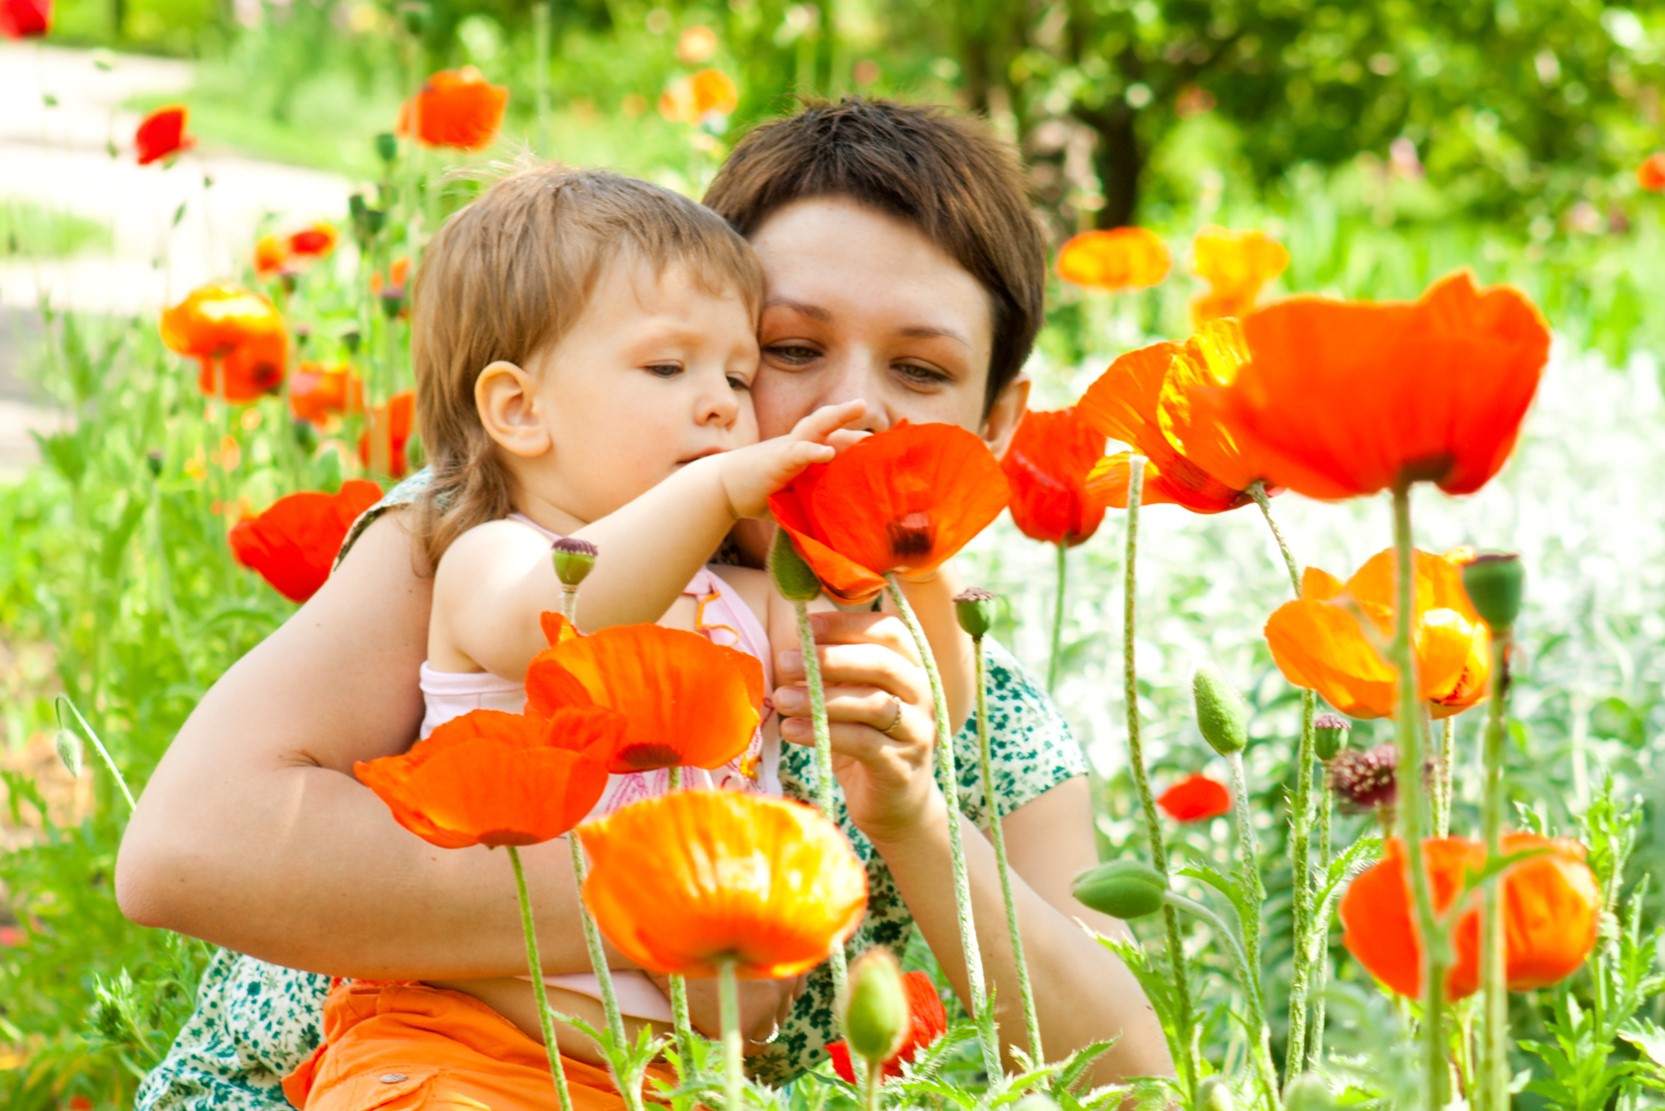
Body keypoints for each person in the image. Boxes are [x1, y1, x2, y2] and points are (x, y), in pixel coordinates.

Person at [118, 99, 1173, 1110]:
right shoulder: (502, 537)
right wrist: (687, 904)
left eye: (921, 368)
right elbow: (184, 850)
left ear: (995, 425)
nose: (853, 412)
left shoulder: (986, 722)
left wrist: (913, 820)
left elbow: (1135, 1089)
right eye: (789, 351)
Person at [283, 163, 903, 1110]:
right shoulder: (488, 560)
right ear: (519, 410)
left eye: (738, 376)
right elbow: (559, 629)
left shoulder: (747, 600)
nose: (721, 405)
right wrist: (717, 489)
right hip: (459, 1054)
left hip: (663, 1082)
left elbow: (887, 646)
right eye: (669, 368)